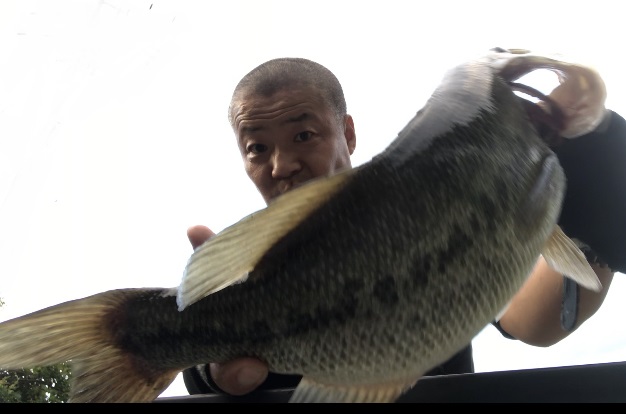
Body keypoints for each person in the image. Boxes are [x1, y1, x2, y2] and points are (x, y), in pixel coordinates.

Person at [182, 56, 625, 397]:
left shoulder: (435, 215)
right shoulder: (242, 275)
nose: (281, 165)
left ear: (347, 133)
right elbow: (206, 369)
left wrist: (595, 189)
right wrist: (205, 370)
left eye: (303, 136)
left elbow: (535, 323)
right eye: (257, 148)